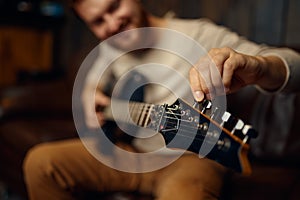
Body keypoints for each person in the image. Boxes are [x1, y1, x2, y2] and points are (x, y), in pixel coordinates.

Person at [22, 0, 300, 199]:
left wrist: (259, 66)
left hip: (190, 159)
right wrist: (88, 95)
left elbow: (294, 67)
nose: (112, 24)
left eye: (115, 6)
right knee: (40, 163)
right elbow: (92, 82)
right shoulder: (109, 51)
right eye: (98, 21)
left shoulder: (198, 34)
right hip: (128, 153)